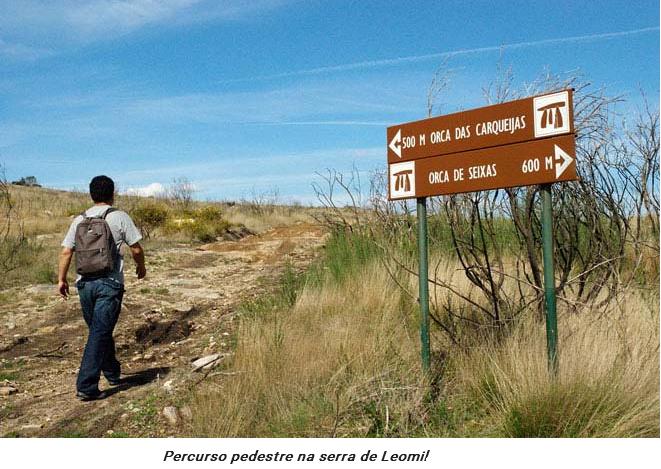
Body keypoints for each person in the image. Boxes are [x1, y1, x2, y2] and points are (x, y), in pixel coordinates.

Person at [57, 175, 146, 401]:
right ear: (112, 193)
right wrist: (141, 267)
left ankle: (112, 372)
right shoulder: (119, 216)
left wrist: (61, 279)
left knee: (99, 330)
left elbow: (66, 251)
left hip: (84, 284)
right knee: (100, 332)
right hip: (110, 283)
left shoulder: (79, 219)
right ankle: (87, 386)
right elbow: (136, 249)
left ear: (91, 194)